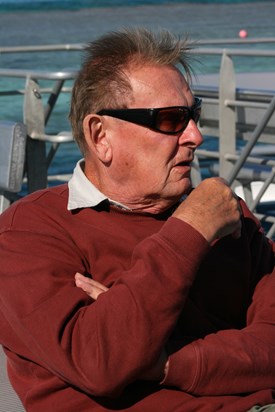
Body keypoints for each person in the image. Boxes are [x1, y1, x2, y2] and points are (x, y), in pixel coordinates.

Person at [0, 27, 275, 412]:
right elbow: (102, 361)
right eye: (169, 120)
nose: (195, 135)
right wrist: (191, 229)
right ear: (100, 136)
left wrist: (164, 362)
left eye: (193, 114)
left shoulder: (229, 218)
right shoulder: (30, 232)